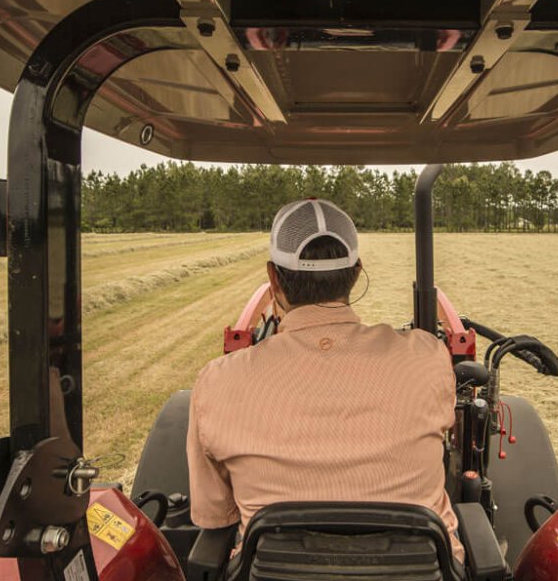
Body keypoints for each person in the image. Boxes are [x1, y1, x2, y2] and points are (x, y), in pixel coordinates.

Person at [186, 198, 464, 560]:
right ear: (356, 271)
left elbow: (214, 514)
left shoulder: (217, 381)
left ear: (273, 278)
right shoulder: (427, 356)